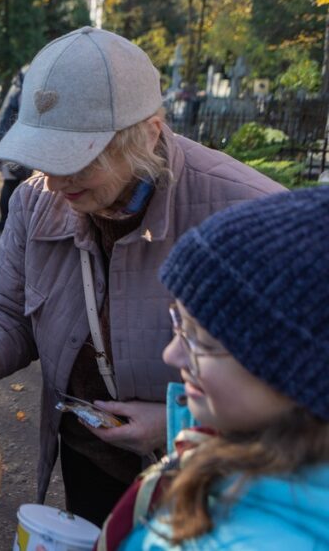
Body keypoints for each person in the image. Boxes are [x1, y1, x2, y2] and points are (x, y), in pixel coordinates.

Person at [0, 26, 283, 525]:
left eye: (76, 160)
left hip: (212, 482)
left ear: (147, 135)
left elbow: (297, 388)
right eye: (43, 158)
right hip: (91, 455)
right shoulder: (36, 200)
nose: (53, 181)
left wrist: (175, 423)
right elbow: (9, 309)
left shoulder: (248, 212)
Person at [96, 187, 329, 550]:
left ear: (303, 375)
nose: (171, 356)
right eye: (179, 325)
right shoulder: (239, 464)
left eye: (203, 342)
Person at [0, 65, 32, 231]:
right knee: (13, 183)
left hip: (7, 138)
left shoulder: (17, 86)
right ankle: (6, 224)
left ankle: (5, 223)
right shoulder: (26, 87)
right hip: (15, 141)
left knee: (11, 181)